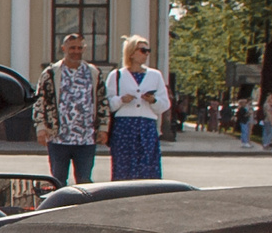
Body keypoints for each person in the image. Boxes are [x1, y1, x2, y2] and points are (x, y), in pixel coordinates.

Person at [33, 31, 105, 185]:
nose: (76, 51)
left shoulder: (93, 72)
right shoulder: (51, 73)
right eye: (72, 48)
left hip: (86, 138)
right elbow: (40, 100)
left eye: (79, 48)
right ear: (64, 48)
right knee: (58, 180)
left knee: (84, 180)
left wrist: (103, 127)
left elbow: (102, 101)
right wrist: (40, 127)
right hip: (59, 137)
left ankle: (83, 209)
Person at [105, 36, 170, 180]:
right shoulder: (117, 75)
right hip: (124, 127)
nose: (146, 54)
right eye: (142, 50)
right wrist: (121, 100)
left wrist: (153, 100)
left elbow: (165, 104)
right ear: (131, 53)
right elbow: (108, 103)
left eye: (148, 51)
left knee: (147, 167)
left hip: (146, 126)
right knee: (124, 166)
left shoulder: (155, 75)